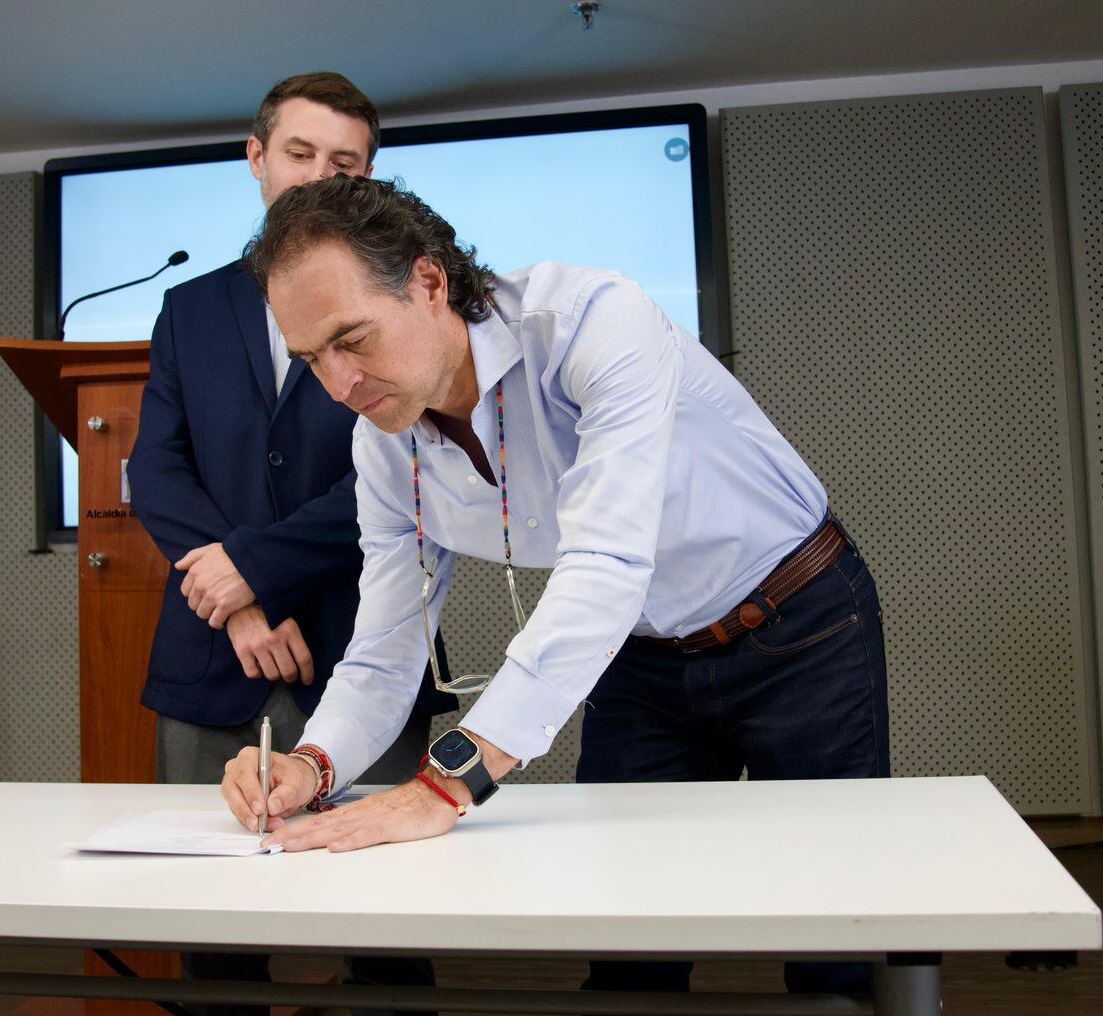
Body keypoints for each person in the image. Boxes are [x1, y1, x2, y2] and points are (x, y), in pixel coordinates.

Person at [219, 175, 889, 998]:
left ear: (429, 281)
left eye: (352, 339)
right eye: (312, 358)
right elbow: (387, 646)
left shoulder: (593, 322)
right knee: (625, 947)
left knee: (834, 927)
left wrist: (448, 782)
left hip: (799, 623)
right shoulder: (382, 446)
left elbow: (607, 564)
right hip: (640, 658)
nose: (339, 385)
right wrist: (313, 765)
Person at [128, 74, 454, 1014]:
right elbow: (156, 471)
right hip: (210, 644)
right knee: (209, 920)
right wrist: (241, 601)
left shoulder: (400, 304)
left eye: (344, 163)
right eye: (301, 154)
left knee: (383, 920)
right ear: (257, 158)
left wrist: (256, 568)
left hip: (368, 635)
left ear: (369, 178)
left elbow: (401, 469)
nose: (318, 176)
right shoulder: (191, 309)